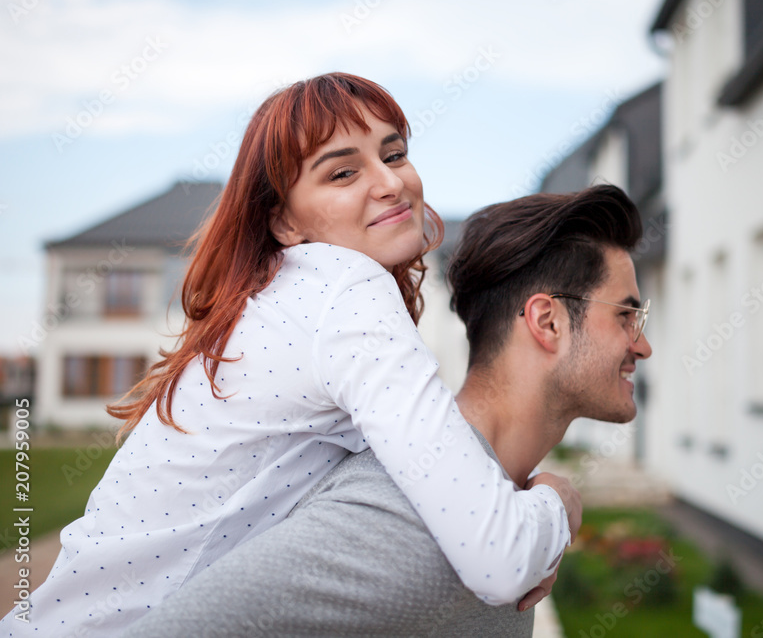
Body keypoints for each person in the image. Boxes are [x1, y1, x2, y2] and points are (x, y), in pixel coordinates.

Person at [0, 74, 579, 638]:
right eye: (344, 172)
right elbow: (499, 560)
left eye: (395, 154)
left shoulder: (274, 300)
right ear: (284, 220)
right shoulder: (343, 287)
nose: (389, 182)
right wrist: (557, 501)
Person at [119, 184, 653, 637]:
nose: (642, 345)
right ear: (549, 322)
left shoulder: (505, 511)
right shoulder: (405, 520)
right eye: (628, 314)